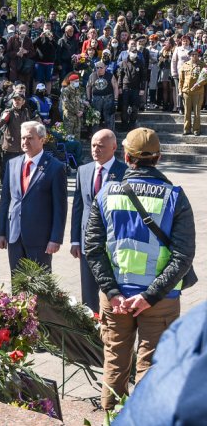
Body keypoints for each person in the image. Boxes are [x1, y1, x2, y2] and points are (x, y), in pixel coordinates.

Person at [84, 127, 197, 412]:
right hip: (159, 302)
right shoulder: (175, 197)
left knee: (115, 364)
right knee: (153, 369)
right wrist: (150, 296)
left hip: (115, 301)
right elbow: (183, 256)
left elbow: (93, 248)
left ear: (126, 155)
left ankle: (110, 416)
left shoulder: (106, 193)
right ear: (158, 158)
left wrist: (112, 291)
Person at [0, 121, 67, 274]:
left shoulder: (55, 167)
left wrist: (55, 238)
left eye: (30, 138)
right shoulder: (12, 164)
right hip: (14, 235)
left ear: (42, 139)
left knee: (40, 288)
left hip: (40, 238)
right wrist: (1, 232)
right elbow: (5, 200)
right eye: (22, 138)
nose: (24, 142)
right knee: (17, 286)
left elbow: (60, 207)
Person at [70, 129, 127, 312]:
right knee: (88, 292)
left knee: (112, 290)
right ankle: (90, 332)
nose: (95, 149)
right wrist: (75, 240)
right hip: (88, 241)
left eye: (101, 146)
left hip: (113, 242)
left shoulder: (125, 172)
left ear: (114, 147)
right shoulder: (83, 170)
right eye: (93, 145)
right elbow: (78, 207)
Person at [179, 48, 206, 135]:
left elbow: (205, 78)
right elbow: (181, 80)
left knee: (197, 112)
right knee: (187, 112)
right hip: (186, 91)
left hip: (198, 92)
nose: (194, 56)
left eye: (196, 54)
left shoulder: (202, 65)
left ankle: (196, 129)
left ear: (198, 55)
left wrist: (199, 84)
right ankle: (186, 129)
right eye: (192, 54)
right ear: (190, 56)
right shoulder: (185, 65)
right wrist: (180, 90)